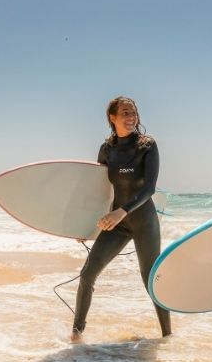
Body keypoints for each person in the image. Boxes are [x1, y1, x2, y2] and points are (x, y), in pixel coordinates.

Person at [70, 96, 172, 342]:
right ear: (112, 117)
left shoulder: (147, 145)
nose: (131, 117)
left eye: (133, 112)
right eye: (125, 113)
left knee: (150, 281)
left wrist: (121, 211)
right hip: (118, 224)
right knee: (87, 274)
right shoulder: (107, 150)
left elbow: (149, 189)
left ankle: (168, 338)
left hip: (143, 221)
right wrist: (85, 224)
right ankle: (76, 335)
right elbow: (98, 192)